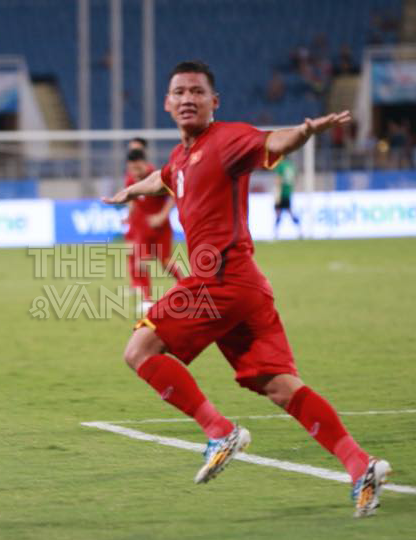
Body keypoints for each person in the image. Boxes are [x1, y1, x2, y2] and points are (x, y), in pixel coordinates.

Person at [102, 61, 390, 517]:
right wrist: (130, 192)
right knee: (277, 385)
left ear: (214, 102)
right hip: (248, 286)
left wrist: (303, 132)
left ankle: (219, 430)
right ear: (166, 103)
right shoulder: (180, 157)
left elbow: (271, 142)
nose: (187, 99)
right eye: (179, 92)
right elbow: (163, 178)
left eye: (197, 91)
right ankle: (361, 465)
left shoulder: (228, 139)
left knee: (139, 350)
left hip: (219, 278)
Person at [124, 148, 184, 314]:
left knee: (165, 261)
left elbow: (174, 196)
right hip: (141, 228)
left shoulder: (158, 176)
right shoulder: (130, 180)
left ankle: (185, 284)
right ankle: (147, 299)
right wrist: (128, 217)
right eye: (131, 169)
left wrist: (162, 215)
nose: (134, 173)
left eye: (137, 169)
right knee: (140, 261)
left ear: (144, 164)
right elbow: (133, 200)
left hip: (160, 228)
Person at [273, 157, 301, 239]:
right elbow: (296, 178)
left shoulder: (281, 166)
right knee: (290, 213)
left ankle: (275, 234)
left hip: (281, 193)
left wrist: (277, 193)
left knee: (278, 214)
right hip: (288, 193)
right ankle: (300, 230)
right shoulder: (291, 166)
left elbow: (278, 179)